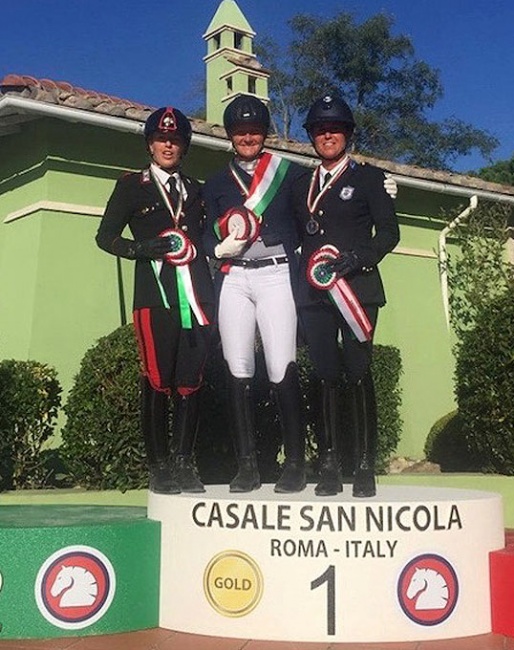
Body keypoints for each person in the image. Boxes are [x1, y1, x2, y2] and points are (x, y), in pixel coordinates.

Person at [96, 106, 214, 494]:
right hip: (154, 296)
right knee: (158, 380)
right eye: (162, 139)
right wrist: (139, 248)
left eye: (176, 139)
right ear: (150, 143)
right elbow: (105, 236)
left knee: (189, 381)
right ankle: (159, 465)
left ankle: (184, 462)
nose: (168, 145)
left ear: (184, 146)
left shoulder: (196, 190)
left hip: (196, 297)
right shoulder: (132, 186)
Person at [294, 94, 400, 498]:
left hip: (357, 289)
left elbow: (390, 233)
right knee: (324, 377)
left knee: (358, 375)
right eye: (320, 130)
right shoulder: (300, 184)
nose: (327, 136)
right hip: (315, 293)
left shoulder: (370, 179)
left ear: (348, 135)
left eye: (335, 129)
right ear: (312, 137)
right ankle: (330, 463)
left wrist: (358, 258)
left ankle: (363, 464)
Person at [202, 95, 308, 494]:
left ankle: (295, 461)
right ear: (231, 136)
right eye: (240, 132)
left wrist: (373, 185)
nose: (247, 138)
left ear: (264, 134)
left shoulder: (291, 175)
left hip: (276, 274)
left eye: (254, 131)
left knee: (282, 364)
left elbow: (316, 212)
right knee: (238, 365)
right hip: (235, 276)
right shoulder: (214, 183)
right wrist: (216, 247)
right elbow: (203, 229)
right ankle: (246, 463)